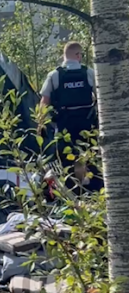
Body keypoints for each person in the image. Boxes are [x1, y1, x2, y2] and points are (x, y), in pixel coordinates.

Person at [39, 41, 101, 191]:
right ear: (78, 55)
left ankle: (71, 190)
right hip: (86, 122)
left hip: (64, 123)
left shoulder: (54, 75)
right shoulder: (89, 72)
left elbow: (44, 101)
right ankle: (96, 190)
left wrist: (41, 123)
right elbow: (100, 95)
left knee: (66, 158)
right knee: (89, 155)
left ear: (64, 56)